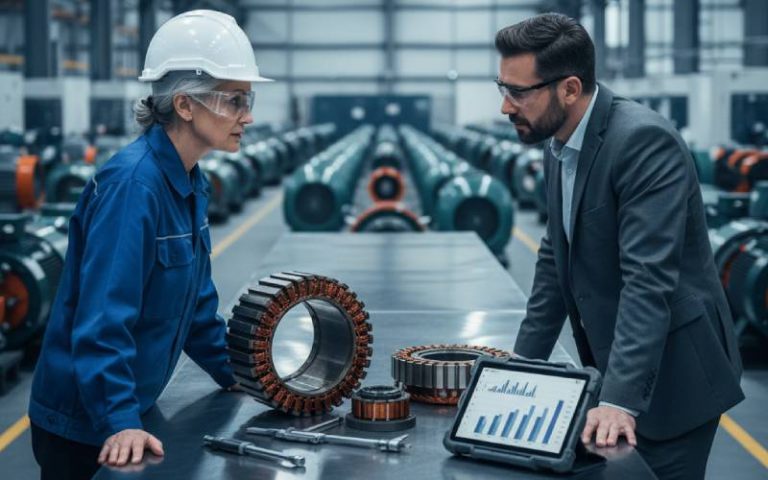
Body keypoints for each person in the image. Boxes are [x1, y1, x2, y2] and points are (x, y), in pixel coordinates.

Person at [497, 13, 744, 480]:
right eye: (502, 88)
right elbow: (554, 260)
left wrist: (618, 400)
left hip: (675, 376)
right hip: (617, 360)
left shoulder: (642, 142)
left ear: (569, 89)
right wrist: (520, 371)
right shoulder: (558, 145)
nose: (506, 107)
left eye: (518, 92)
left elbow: (647, 279)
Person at [28, 10, 271, 480]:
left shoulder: (190, 181)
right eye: (235, 100)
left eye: (248, 99)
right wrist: (119, 420)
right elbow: (103, 317)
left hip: (128, 406)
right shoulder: (134, 187)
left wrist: (237, 372)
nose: (248, 115)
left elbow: (195, 307)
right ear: (184, 105)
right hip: (84, 425)